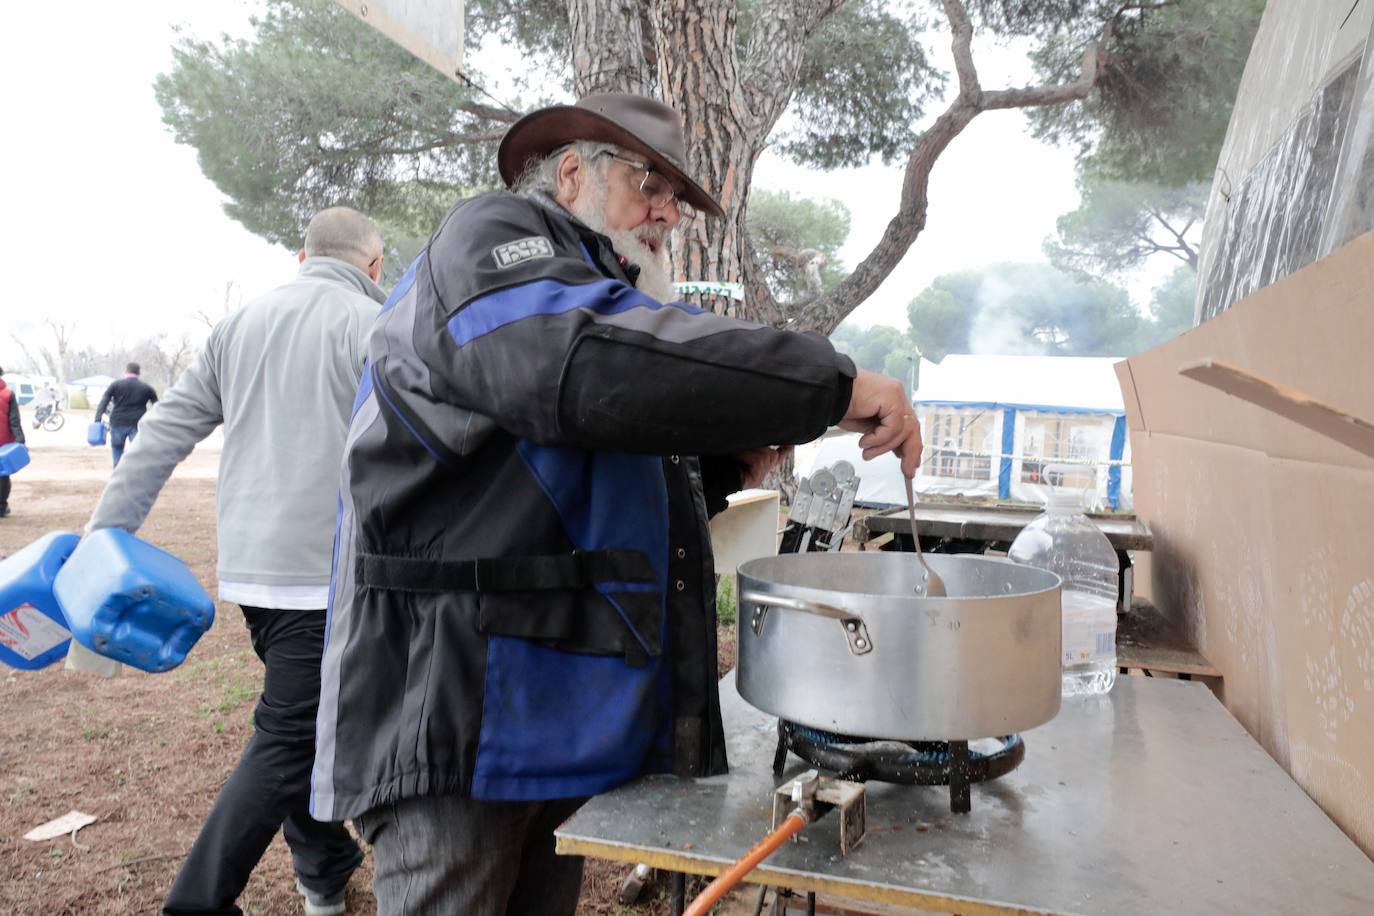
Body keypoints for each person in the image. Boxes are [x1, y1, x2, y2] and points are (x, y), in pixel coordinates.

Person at [311, 93, 924, 915]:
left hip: (542, 724)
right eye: (652, 184)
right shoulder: (490, 237)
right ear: (571, 173)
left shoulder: (592, 299)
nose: (669, 213)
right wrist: (831, 387)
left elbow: (557, 485)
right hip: (452, 708)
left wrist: (716, 468)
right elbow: (573, 366)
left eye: (676, 197)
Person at [79, 207, 387, 916]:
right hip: (328, 577)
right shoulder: (370, 325)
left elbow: (162, 434)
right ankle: (197, 903)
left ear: (301, 256)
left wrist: (104, 532)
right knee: (288, 737)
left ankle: (324, 863)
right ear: (373, 266)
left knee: (297, 724)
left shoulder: (236, 326)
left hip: (253, 574)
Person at [94, 362, 159, 466]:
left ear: (126, 371)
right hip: (138, 423)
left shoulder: (115, 385)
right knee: (137, 451)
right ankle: (135, 474)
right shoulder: (147, 388)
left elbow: (104, 402)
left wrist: (97, 419)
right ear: (139, 373)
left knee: (117, 448)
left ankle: (118, 473)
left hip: (117, 422)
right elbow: (157, 406)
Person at [0, 367, 25, 518]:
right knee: (2, 476)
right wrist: (21, 440)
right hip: (3, 443)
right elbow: (14, 421)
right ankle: (1, 507)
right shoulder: (8, 394)